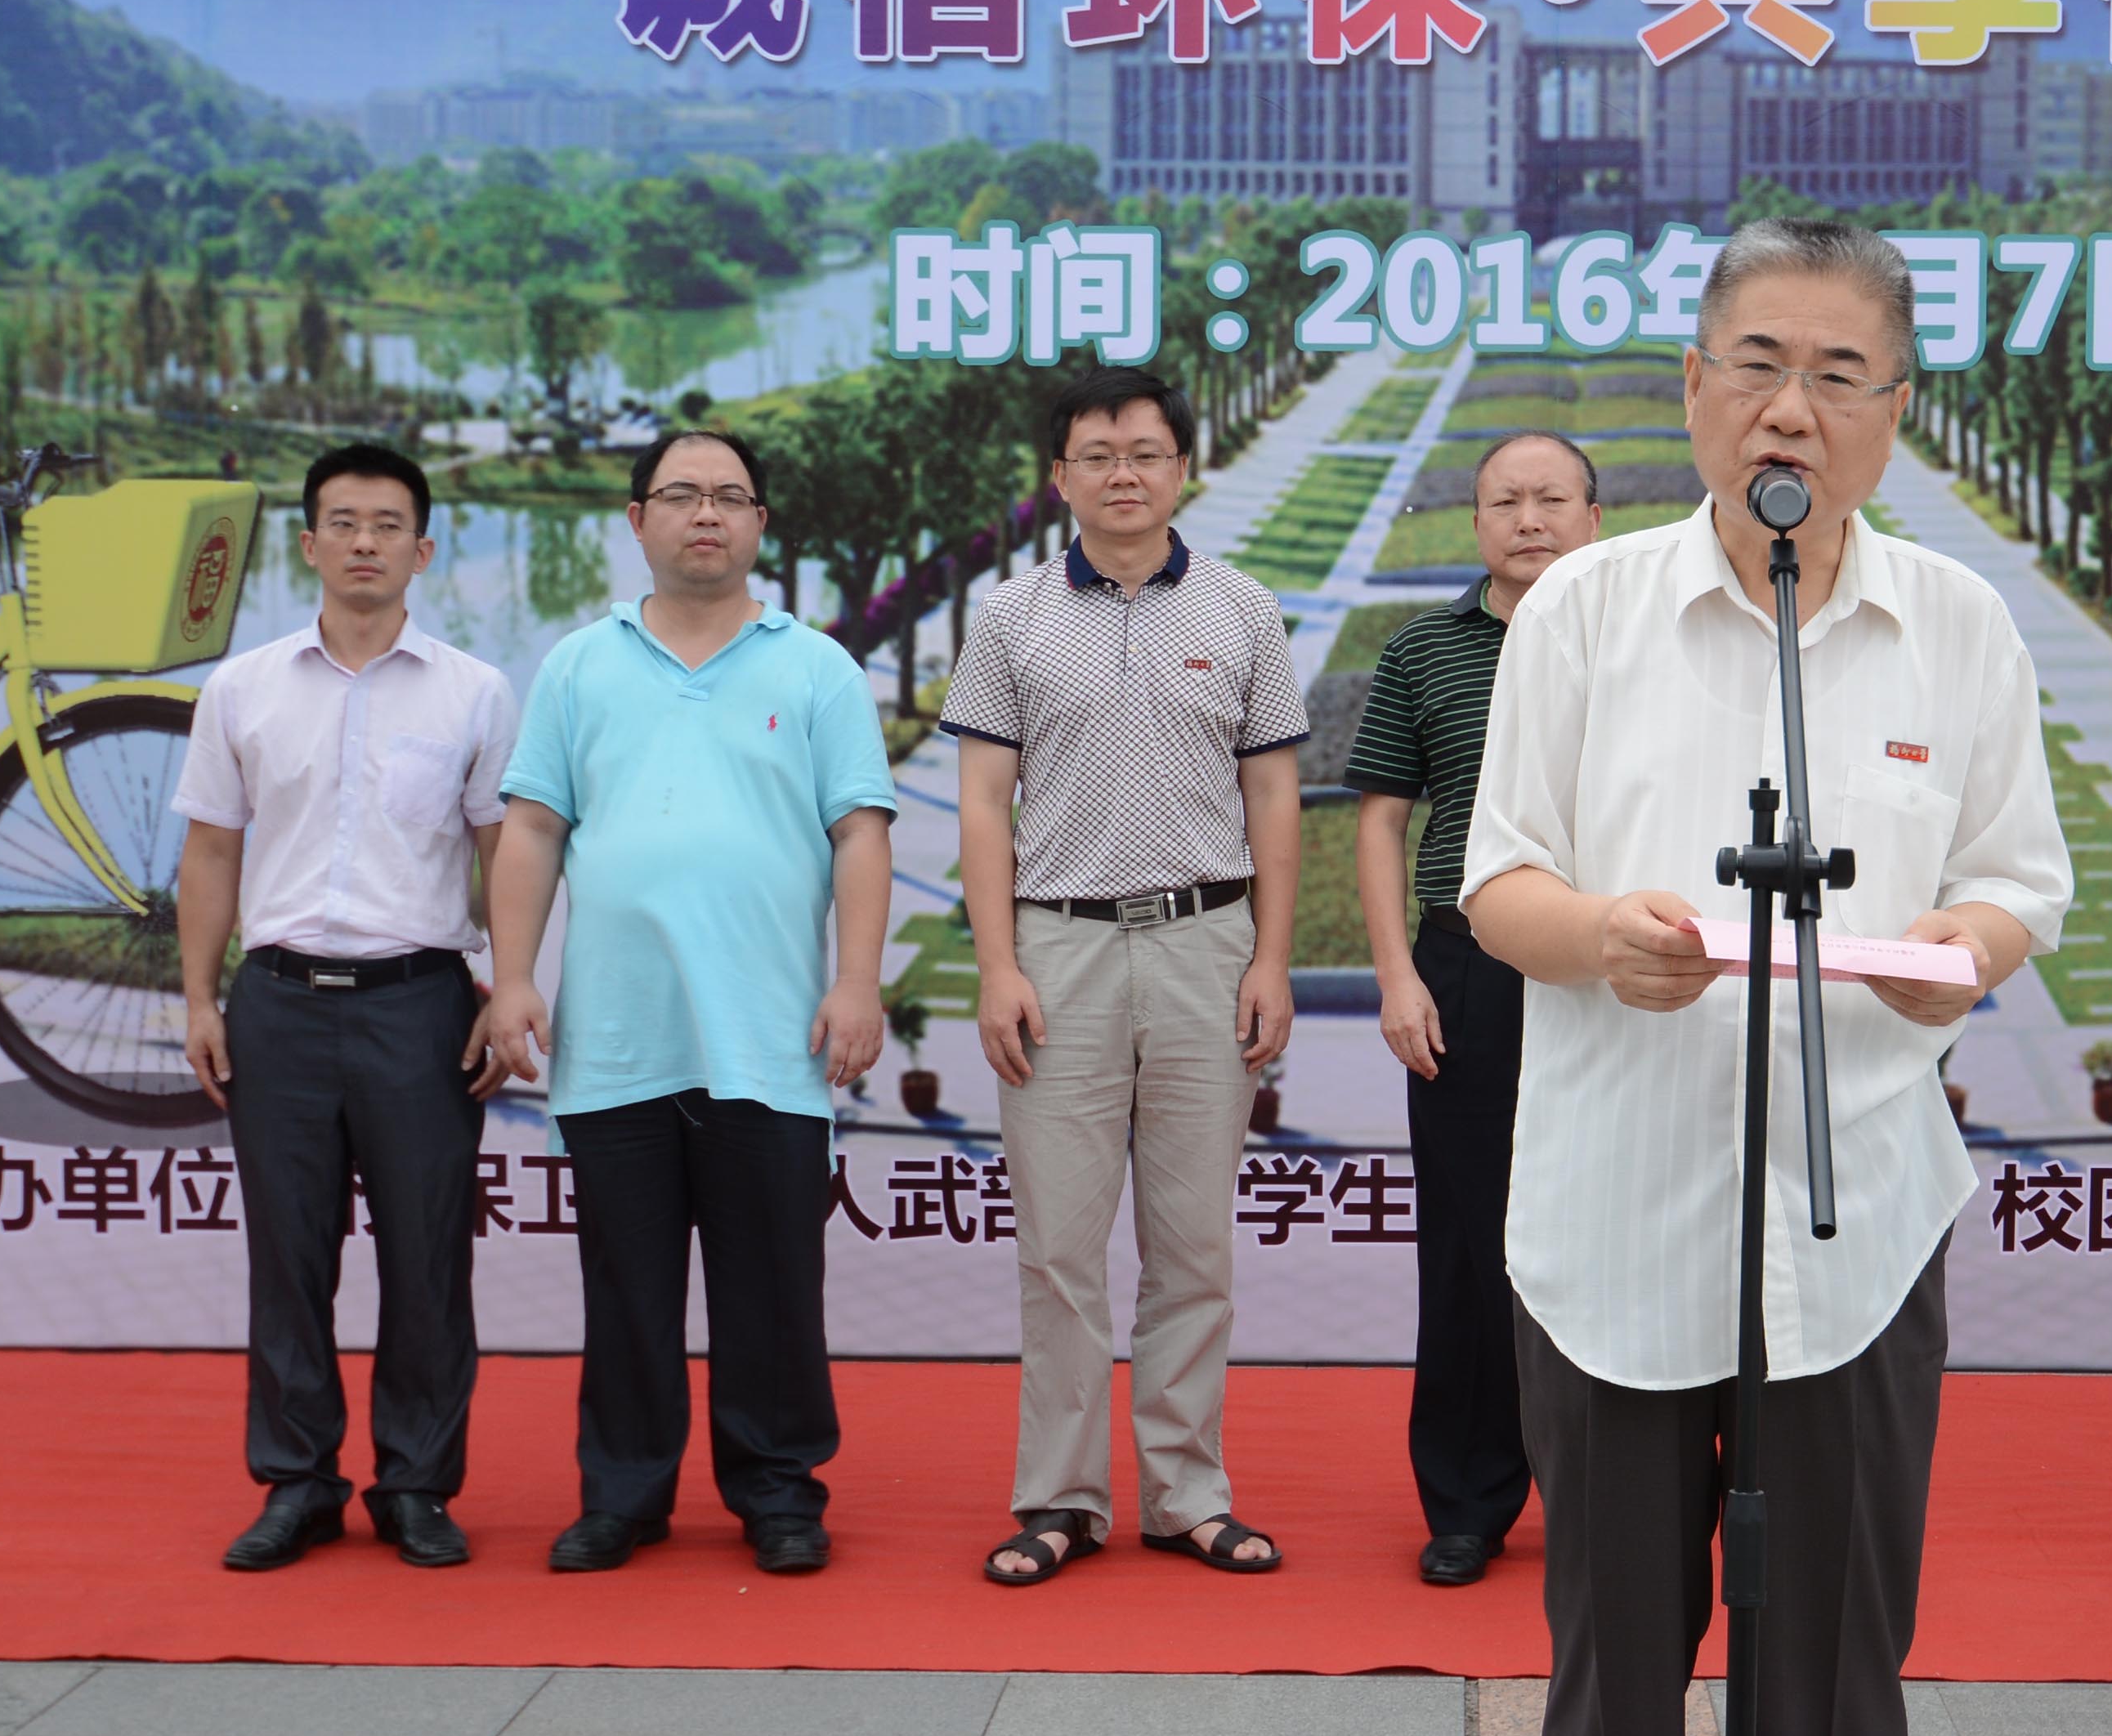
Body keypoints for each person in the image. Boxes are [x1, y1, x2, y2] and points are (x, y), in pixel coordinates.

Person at [1462, 216, 2067, 1736]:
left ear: (1894, 413)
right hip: (1615, 1215)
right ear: (1694, 389)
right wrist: (1598, 936)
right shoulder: (1588, 609)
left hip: (1860, 1216)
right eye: (1755, 364)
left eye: (1836, 373)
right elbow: (1499, 879)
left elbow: (2019, 877)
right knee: (1611, 1667)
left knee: (1829, 1678)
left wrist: (1960, 941)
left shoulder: (1952, 625)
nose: (1790, 408)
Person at [473, 427, 894, 1577]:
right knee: (627, 1290)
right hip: (617, 1038)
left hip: (769, 1035)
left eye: (730, 497)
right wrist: (516, 976)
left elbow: (860, 832)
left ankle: (778, 1493)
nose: (706, 514)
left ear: (760, 523)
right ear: (638, 519)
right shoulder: (579, 666)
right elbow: (533, 829)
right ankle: (624, 1494)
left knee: (775, 1291)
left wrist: (857, 981)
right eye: (681, 495)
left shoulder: (816, 667)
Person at [946, 365, 1308, 1586]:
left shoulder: (1245, 610)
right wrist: (997, 966)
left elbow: (1274, 795)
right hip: (1060, 949)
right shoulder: (1009, 619)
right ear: (1060, 477)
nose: (1123, 475)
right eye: (1096, 456)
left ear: (1182, 469)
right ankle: (1059, 1497)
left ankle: (1186, 1494)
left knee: (1194, 1245)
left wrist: (1271, 957)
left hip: (1208, 944)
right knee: (1058, 1246)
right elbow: (984, 805)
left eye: (1146, 453)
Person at [175, 441, 521, 1573]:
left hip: (418, 1006)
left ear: (423, 551)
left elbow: (505, 854)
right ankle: (297, 1483)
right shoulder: (243, 689)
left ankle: (416, 1484)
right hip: (277, 1003)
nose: (365, 542)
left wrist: (514, 988)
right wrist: (201, 997)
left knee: (428, 1260)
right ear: (308, 543)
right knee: (288, 1258)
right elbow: (211, 853)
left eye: (388, 525)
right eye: (343, 522)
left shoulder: (475, 692)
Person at [1349, 427, 1605, 1586]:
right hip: (1465, 972)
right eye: (1505, 501)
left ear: (1595, 518)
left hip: (1608, 972)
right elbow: (1381, 820)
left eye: (1551, 498)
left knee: (1613, 1232)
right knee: (1466, 1243)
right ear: (1476, 523)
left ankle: (1610, 1492)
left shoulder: (1640, 642)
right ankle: (1465, 1499)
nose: (1529, 519)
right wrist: (1398, 976)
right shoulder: (1424, 650)